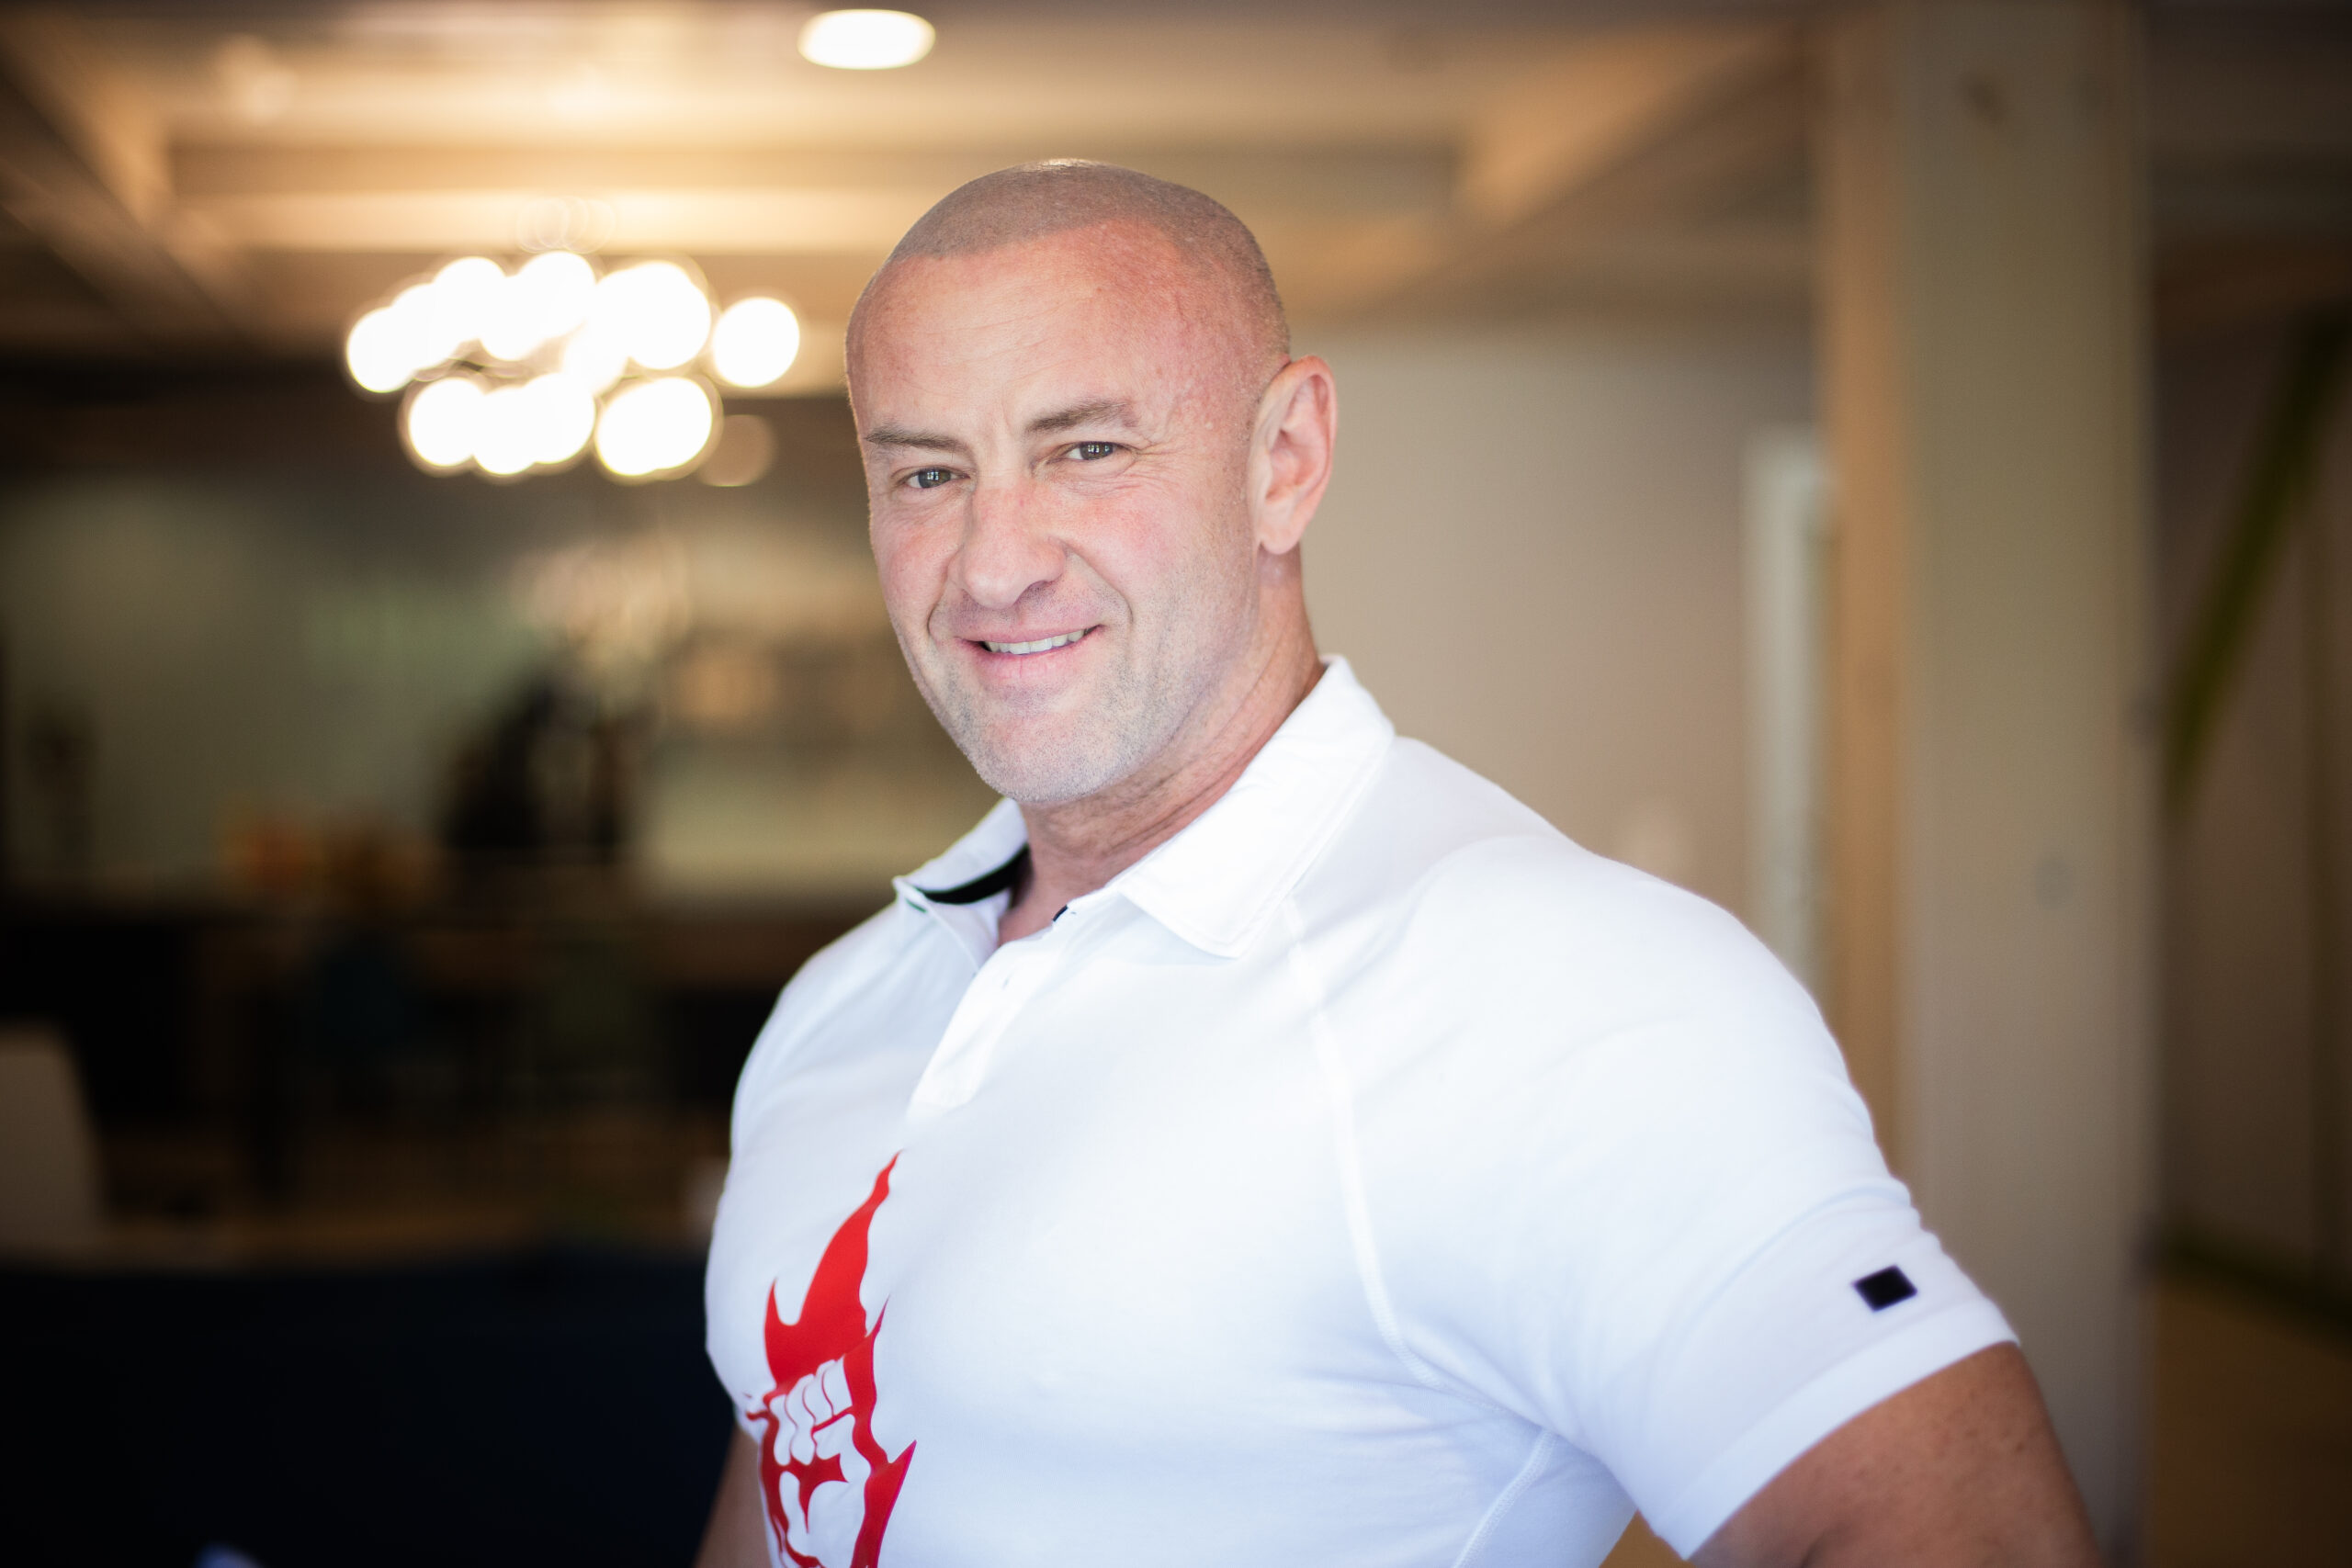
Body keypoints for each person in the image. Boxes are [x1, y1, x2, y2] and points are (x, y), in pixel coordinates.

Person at [696, 162, 2098, 1568]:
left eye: (1088, 450)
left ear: (1285, 461)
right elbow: (799, 1488)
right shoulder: (847, 1000)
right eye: (928, 473)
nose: (992, 566)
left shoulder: (1561, 989)